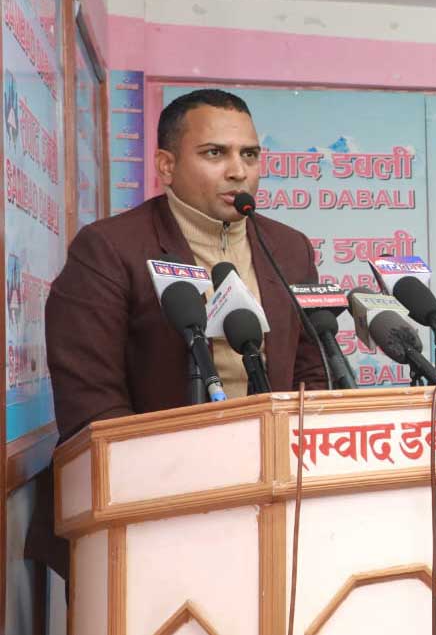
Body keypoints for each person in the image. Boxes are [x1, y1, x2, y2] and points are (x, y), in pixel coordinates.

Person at [28, 89, 328, 578]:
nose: (238, 171)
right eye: (215, 153)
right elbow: (93, 407)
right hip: (148, 515)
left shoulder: (289, 248)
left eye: (250, 154)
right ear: (165, 166)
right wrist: (185, 484)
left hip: (276, 504)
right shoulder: (110, 249)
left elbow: (312, 373)